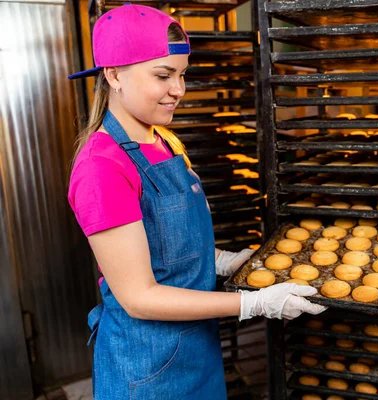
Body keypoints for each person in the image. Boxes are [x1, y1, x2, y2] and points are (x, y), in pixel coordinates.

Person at [67, 4, 326, 399]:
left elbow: (165, 244)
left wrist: (222, 261)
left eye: (182, 74)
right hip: (148, 367)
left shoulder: (162, 141)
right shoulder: (102, 167)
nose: (179, 90)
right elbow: (139, 297)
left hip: (196, 350)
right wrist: (253, 305)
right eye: (163, 75)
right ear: (114, 74)